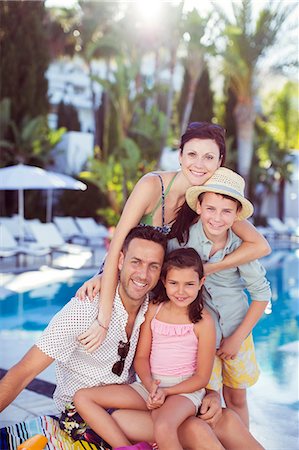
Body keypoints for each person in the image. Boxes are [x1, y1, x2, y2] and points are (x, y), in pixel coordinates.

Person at [0, 225, 264, 450]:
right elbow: (22, 372)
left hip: (140, 401)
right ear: (120, 261)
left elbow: (183, 353)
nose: (142, 275)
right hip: (90, 414)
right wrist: (102, 276)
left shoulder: (154, 305)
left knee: (224, 418)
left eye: (153, 266)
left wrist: (210, 392)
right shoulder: (84, 310)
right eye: (135, 262)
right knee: (197, 429)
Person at [76, 122, 271, 352]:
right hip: (122, 279)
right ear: (180, 156)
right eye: (192, 154)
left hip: (155, 293)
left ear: (219, 162)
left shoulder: (207, 202)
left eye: (209, 157)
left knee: (133, 362)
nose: (199, 164)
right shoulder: (152, 186)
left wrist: (210, 268)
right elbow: (117, 244)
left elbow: (260, 246)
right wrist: (103, 313)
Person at [74, 248, 216, 450]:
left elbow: (201, 378)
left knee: (164, 427)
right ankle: (126, 448)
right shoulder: (154, 309)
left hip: (184, 391)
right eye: (174, 283)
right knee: (83, 397)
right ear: (164, 281)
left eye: (189, 284)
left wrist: (166, 392)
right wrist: (151, 387)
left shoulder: (204, 322)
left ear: (201, 283)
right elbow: (141, 358)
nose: (181, 291)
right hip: (149, 387)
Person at [168, 167, 272, 428]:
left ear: (237, 215)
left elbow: (261, 294)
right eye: (211, 209)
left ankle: (241, 441)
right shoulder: (182, 241)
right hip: (202, 337)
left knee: (237, 398)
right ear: (199, 207)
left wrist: (237, 339)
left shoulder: (239, 246)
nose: (217, 218)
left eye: (226, 211)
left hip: (239, 331)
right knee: (207, 401)